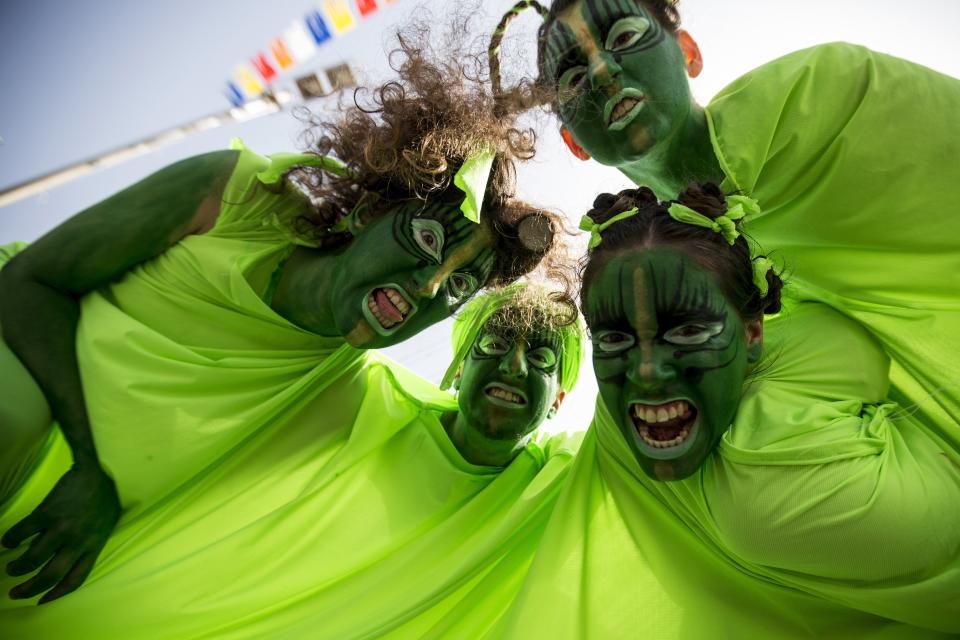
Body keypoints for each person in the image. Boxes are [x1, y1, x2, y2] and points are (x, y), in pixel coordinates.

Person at [0, 29, 566, 605]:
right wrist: (88, 468)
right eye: (424, 238)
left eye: (462, 283)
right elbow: (29, 282)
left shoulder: (360, 396)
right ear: (370, 210)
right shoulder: (230, 198)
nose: (431, 284)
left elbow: (481, 448)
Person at [494, 185, 960, 638]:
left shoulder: (772, 480)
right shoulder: (618, 436)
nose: (648, 372)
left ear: (754, 333)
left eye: (688, 331)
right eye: (614, 339)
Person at [0, 284, 588, 639]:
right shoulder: (368, 391)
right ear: (458, 368)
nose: (512, 366)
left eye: (539, 357)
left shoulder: (567, 481)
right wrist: (99, 466)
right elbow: (206, 388)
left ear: (559, 398)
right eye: (491, 345)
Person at [498, 0, 960, 451]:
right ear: (574, 143)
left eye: (624, 37)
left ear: (687, 52)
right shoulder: (675, 278)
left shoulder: (829, 90)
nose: (601, 72)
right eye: (574, 79)